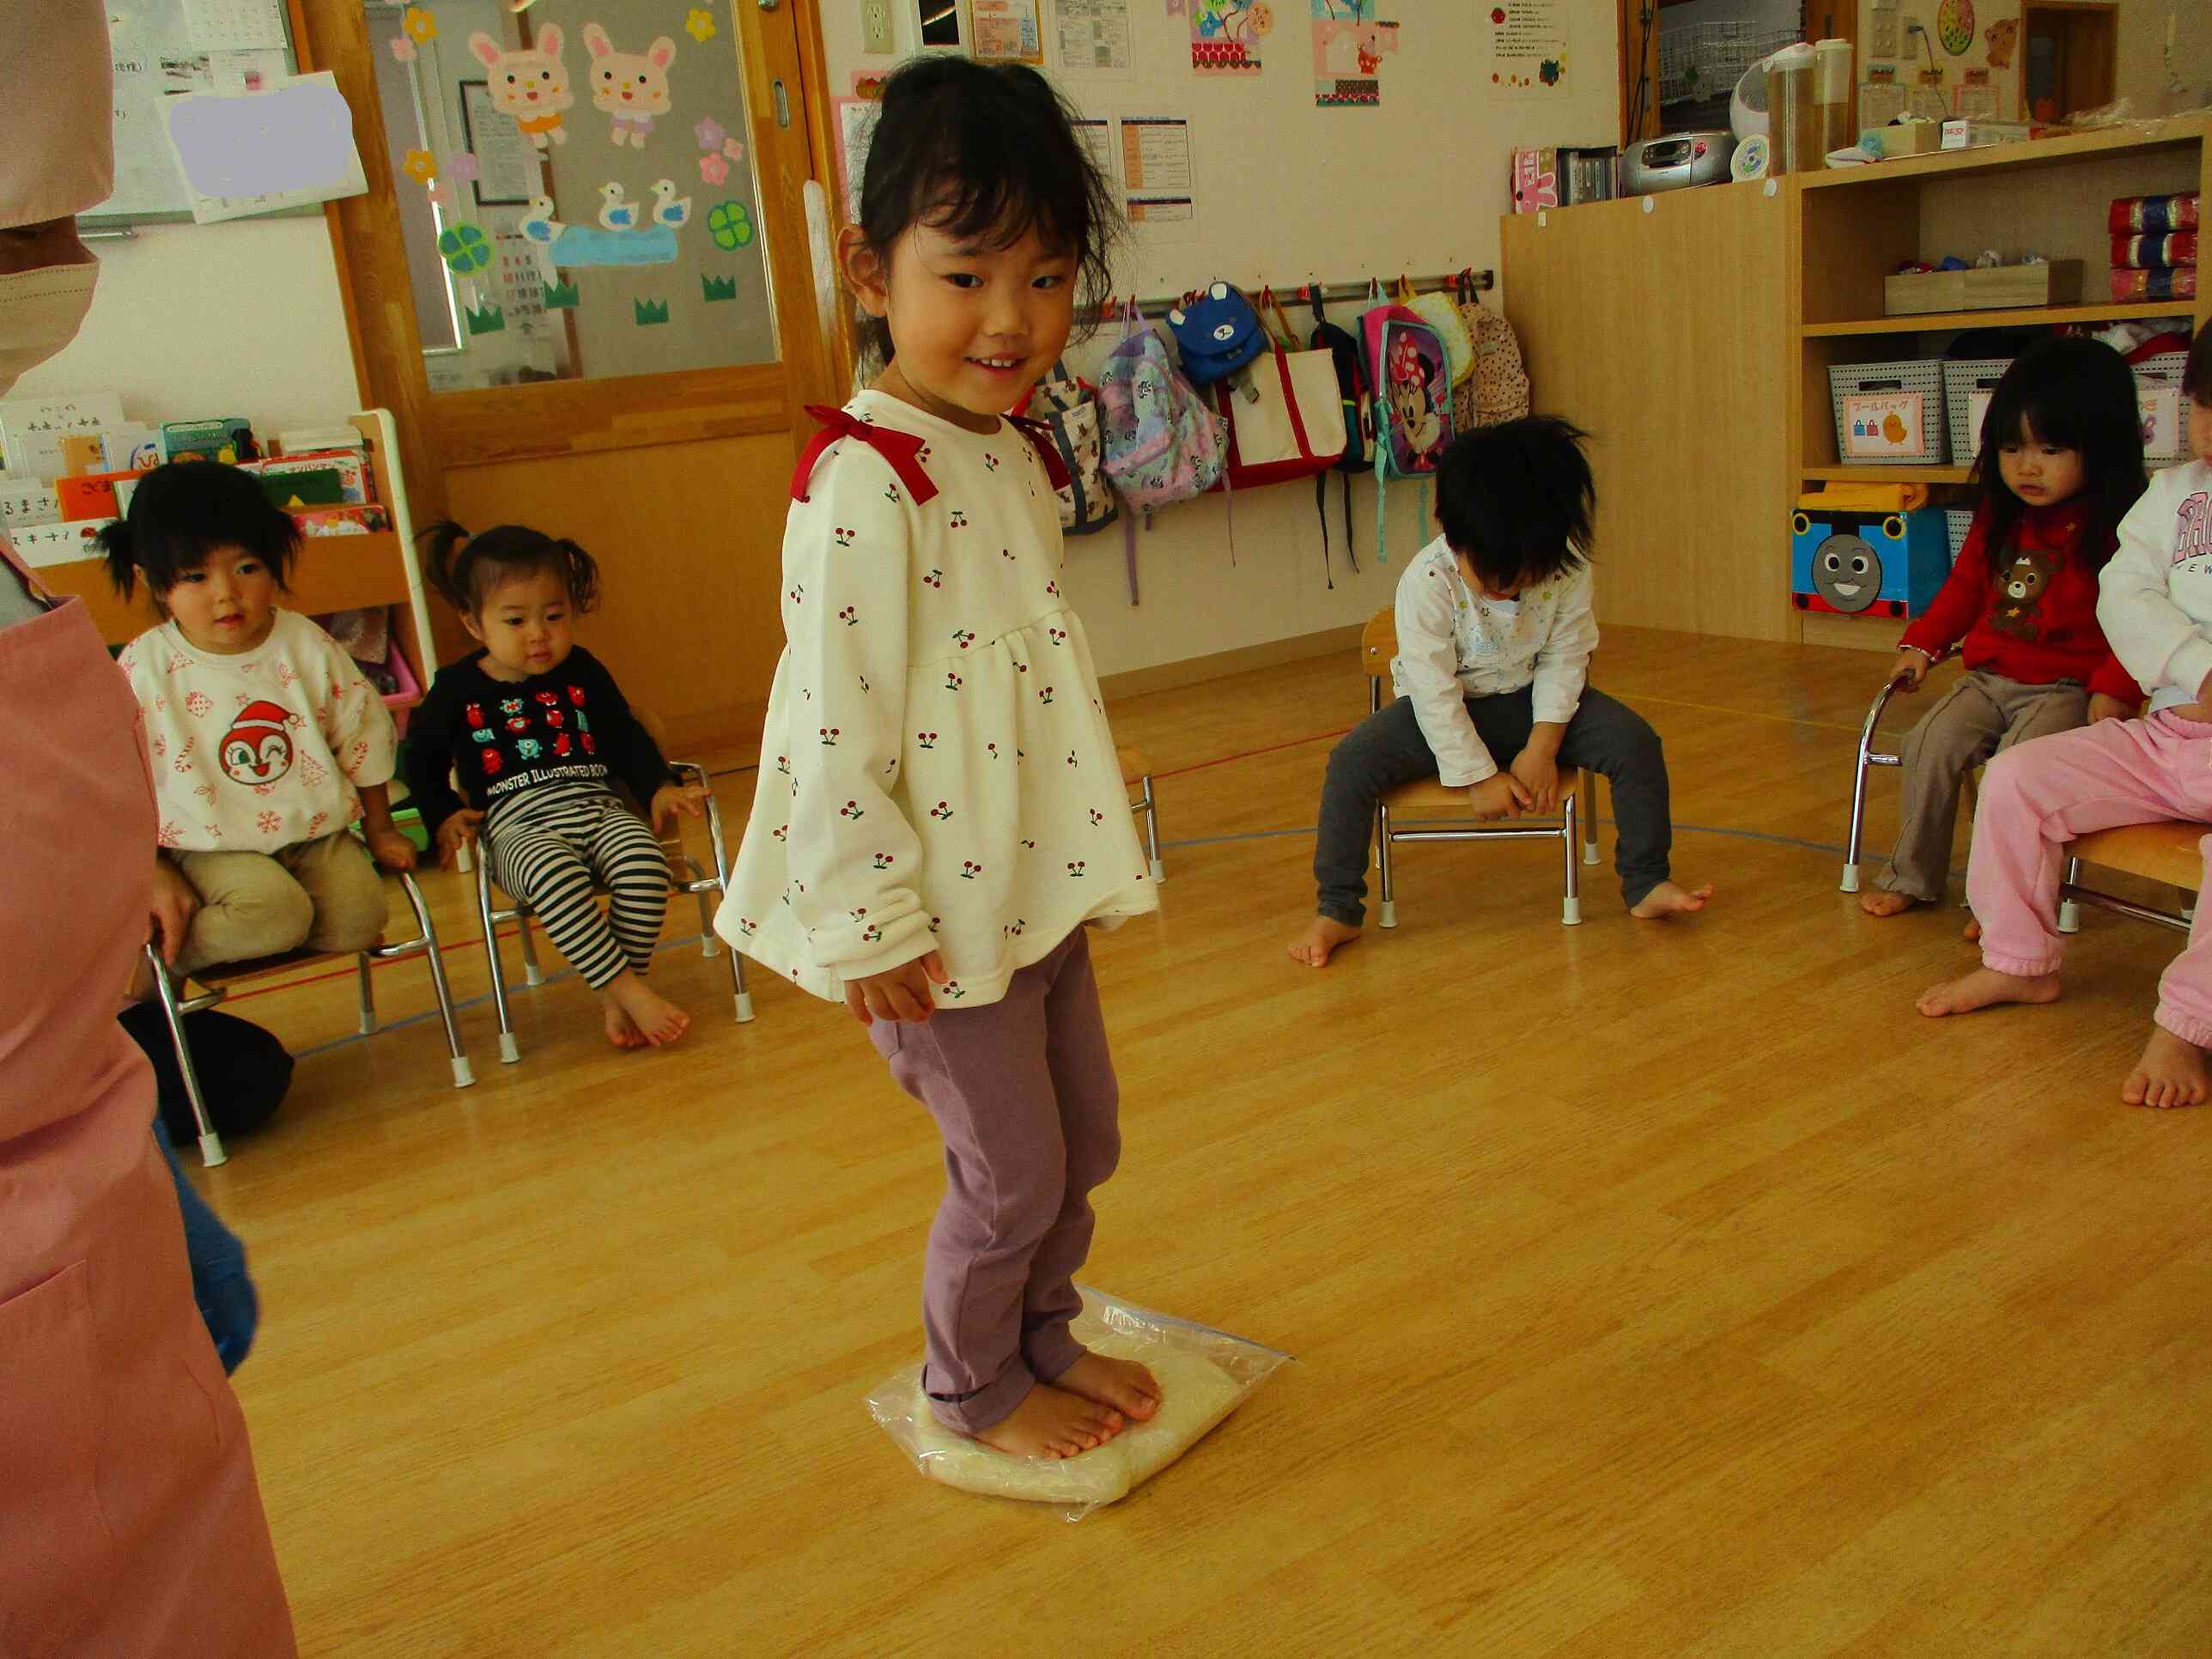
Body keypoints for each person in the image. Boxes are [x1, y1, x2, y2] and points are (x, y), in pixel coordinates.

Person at [716, 56, 1161, 1461]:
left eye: (1045, 276)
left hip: (1030, 881)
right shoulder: (866, 478)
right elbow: (833, 720)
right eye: (965, 275)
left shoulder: (1006, 450)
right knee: (1011, 1165)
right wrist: (867, 921)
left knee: (1082, 1142)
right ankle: (970, 1388)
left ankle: (1040, 1338)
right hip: (930, 915)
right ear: (869, 272)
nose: (1011, 318)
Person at [0, 0, 296, 1646]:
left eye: (60, 217)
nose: (60, 254)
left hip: (96, 1169)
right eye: (19, 229)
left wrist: (153, 1190)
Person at [1288, 417, 1712, 968]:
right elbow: (1433, 691)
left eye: (1523, 578)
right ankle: (1338, 908)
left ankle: (1647, 881)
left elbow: (1566, 657)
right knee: (1350, 763)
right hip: (1440, 717)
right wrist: (1479, 778)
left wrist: (1542, 747)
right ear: (1451, 529)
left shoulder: (1567, 566)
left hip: (1537, 705)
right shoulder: (1427, 581)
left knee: (1636, 743)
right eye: (1492, 579)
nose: (1509, 591)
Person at [1919, 328, 2212, 1109]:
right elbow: (2127, 589)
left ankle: (2186, 1024)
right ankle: (2020, 961)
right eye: (2204, 406)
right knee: (2018, 778)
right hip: (2171, 734)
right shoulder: (2172, 492)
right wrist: (2194, 667)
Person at [1861, 337, 2147, 918]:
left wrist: (2115, 686)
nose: (2026, 466)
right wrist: (1923, 642)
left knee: (2017, 772)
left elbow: (2141, 617)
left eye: (2051, 448)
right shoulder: (2001, 513)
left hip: (2066, 689)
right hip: (1990, 678)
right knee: (1928, 743)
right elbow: (1965, 587)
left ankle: (2010, 908)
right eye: (2012, 447)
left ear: (2102, 447)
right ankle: (1912, 878)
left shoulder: (2123, 524)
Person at [102, 461, 416, 976]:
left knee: (362, 918)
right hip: (208, 843)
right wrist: (151, 867)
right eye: (195, 577)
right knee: (276, 913)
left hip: (313, 833)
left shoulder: (304, 645)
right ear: (152, 582)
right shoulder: (144, 667)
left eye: (247, 568)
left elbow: (361, 733)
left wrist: (380, 828)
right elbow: (117, 779)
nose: (226, 592)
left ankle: (247, 931)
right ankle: (144, 967)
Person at [404, 521, 705, 1049]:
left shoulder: (582, 669)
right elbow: (420, 759)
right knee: (555, 876)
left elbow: (623, 733)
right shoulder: (456, 688)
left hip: (597, 807)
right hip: (517, 827)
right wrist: (443, 812)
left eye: (554, 616)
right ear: (475, 625)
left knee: (644, 864)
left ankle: (620, 994)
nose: (539, 634)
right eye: (515, 620)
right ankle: (633, 995)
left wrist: (658, 784)